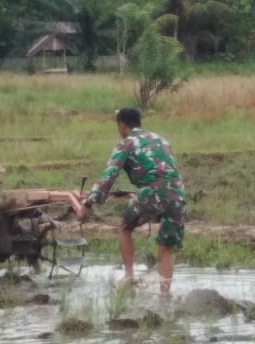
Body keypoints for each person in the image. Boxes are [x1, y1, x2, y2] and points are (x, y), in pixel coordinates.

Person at [78, 107, 187, 294]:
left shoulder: (126, 143)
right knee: (166, 246)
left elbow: (108, 177)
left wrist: (88, 203)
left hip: (152, 193)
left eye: (118, 126)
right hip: (177, 195)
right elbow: (165, 171)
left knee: (124, 226)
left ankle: (129, 277)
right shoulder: (161, 139)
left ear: (122, 125)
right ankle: (164, 295)